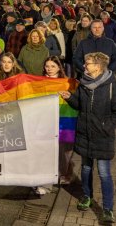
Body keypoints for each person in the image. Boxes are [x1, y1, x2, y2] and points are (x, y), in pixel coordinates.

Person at [59, 52, 116, 223]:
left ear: (98, 66)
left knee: (104, 173)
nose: (85, 65)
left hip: (102, 136)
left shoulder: (111, 85)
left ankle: (107, 208)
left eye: (88, 63)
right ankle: (87, 196)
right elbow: (80, 105)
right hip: (85, 133)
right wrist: (70, 98)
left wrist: (107, 127)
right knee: (86, 169)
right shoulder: (83, 83)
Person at [43, 56, 76, 186]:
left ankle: (67, 173)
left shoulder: (67, 82)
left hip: (63, 120)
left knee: (63, 150)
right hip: (45, 120)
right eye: (47, 66)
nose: (49, 69)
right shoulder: (38, 83)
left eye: (53, 66)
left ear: (59, 68)